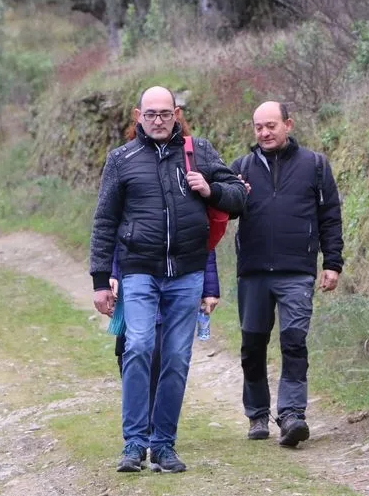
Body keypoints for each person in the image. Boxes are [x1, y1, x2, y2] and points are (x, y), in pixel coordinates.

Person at [90, 85, 246, 473]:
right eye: (150, 114)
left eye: (164, 113)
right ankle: (133, 444)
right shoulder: (121, 159)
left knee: (176, 358)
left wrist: (211, 189)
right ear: (138, 116)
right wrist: (100, 280)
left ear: (176, 114)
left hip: (187, 273)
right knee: (139, 346)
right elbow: (105, 221)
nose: (158, 121)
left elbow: (239, 197)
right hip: (139, 271)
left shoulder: (200, 151)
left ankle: (163, 445)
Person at [230, 101, 344, 448]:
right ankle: (257, 414)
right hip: (253, 273)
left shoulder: (315, 165)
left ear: (288, 125)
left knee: (294, 342)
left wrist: (332, 263)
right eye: (258, 127)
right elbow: (222, 210)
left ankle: (292, 415)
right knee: (252, 346)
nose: (264, 133)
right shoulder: (241, 168)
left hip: (297, 272)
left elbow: (330, 216)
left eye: (271, 125)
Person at [110, 248, 220, 430]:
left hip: (175, 284)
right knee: (133, 351)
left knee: (162, 358)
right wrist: (111, 273)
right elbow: (117, 237)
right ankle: (139, 422)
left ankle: (154, 424)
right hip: (134, 280)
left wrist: (210, 288)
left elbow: (205, 242)